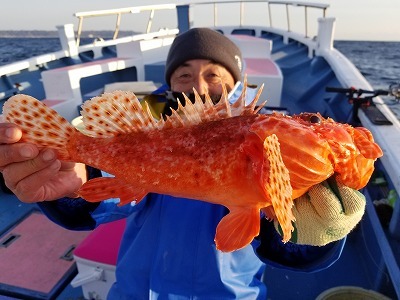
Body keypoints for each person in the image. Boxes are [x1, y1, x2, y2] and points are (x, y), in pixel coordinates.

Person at [0, 28, 366, 299]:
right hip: (136, 291)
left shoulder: (264, 133)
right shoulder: (153, 124)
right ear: (171, 82)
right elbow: (106, 188)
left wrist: (315, 233)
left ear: (236, 81)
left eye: (213, 75)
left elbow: (285, 246)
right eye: (185, 75)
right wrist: (80, 179)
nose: (200, 87)